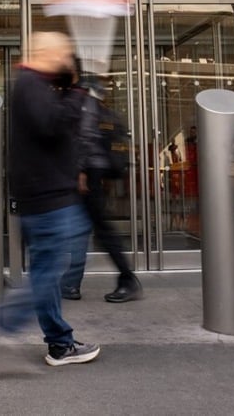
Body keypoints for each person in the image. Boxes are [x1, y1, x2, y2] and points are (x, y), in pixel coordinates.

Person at [0, 31, 99, 367]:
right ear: (47, 52)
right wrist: (80, 91)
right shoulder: (30, 84)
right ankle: (2, 327)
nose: (68, 58)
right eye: (65, 52)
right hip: (48, 198)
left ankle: (59, 342)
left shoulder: (36, 84)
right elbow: (51, 125)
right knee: (45, 274)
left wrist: (70, 88)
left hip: (49, 195)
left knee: (47, 272)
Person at [61, 80, 143, 303]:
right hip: (97, 172)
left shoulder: (85, 105)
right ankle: (71, 283)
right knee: (93, 228)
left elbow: (85, 138)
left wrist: (80, 171)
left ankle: (126, 279)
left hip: (89, 173)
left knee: (98, 230)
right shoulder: (101, 108)